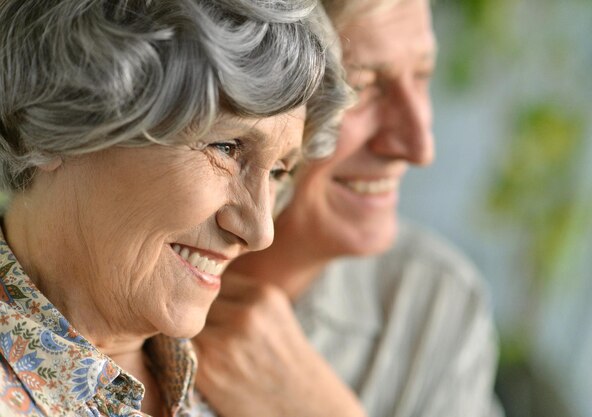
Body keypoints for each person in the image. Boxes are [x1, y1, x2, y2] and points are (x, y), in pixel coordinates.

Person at [0, 0, 350, 415]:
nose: (260, 232)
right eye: (226, 147)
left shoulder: (261, 384)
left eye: (278, 172)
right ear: (60, 117)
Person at [192, 0, 503, 416]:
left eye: (423, 74)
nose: (419, 146)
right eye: (362, 86)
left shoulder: (436, 304)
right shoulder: (116, 272)